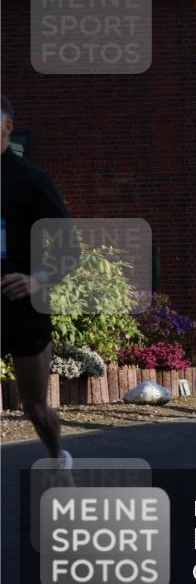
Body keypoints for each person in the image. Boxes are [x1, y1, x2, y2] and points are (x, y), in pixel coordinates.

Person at [0, 94, 79, 483]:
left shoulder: (31, 180)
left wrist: (37, 279)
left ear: (7, 127)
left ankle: (55, 458)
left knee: (33, 406)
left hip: (22, 305)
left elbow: (70, 250)